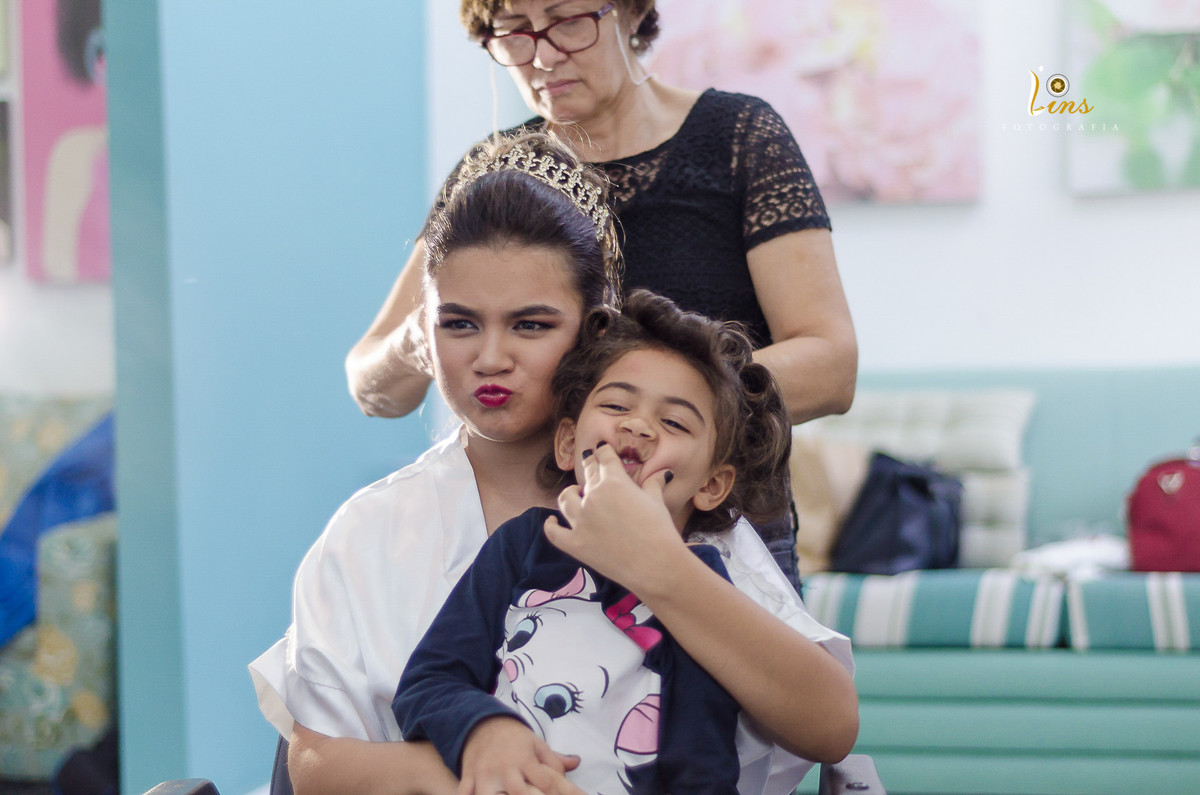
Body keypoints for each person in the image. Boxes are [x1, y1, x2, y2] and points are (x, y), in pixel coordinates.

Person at [251, 132, 857, 795]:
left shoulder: (669, 501)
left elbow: (828, 725)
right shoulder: (377, 528)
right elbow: (311, 766)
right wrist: (476, 761)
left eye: (531, 325)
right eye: (459, 324)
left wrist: (657, 562)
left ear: (594, 326)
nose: (490, 357)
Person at [344, 0, 858, 589]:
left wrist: (655, 410)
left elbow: (831, 366)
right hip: (551, 546)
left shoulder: (739, 139)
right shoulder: (496, 176)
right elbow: (371, 385)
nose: (541, 57)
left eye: (567, 23)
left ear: (633, 13)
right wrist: (426, 338)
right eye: (514, 33)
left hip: (721, 532)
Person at [394, 290, 802, 793]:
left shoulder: (702, 586)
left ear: (711, 485)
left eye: (673, 422)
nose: (637, 425)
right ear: (569, 443)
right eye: (615, 405)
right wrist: (483, 729)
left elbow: (702, 766)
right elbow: (428, 682)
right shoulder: (521, 545)